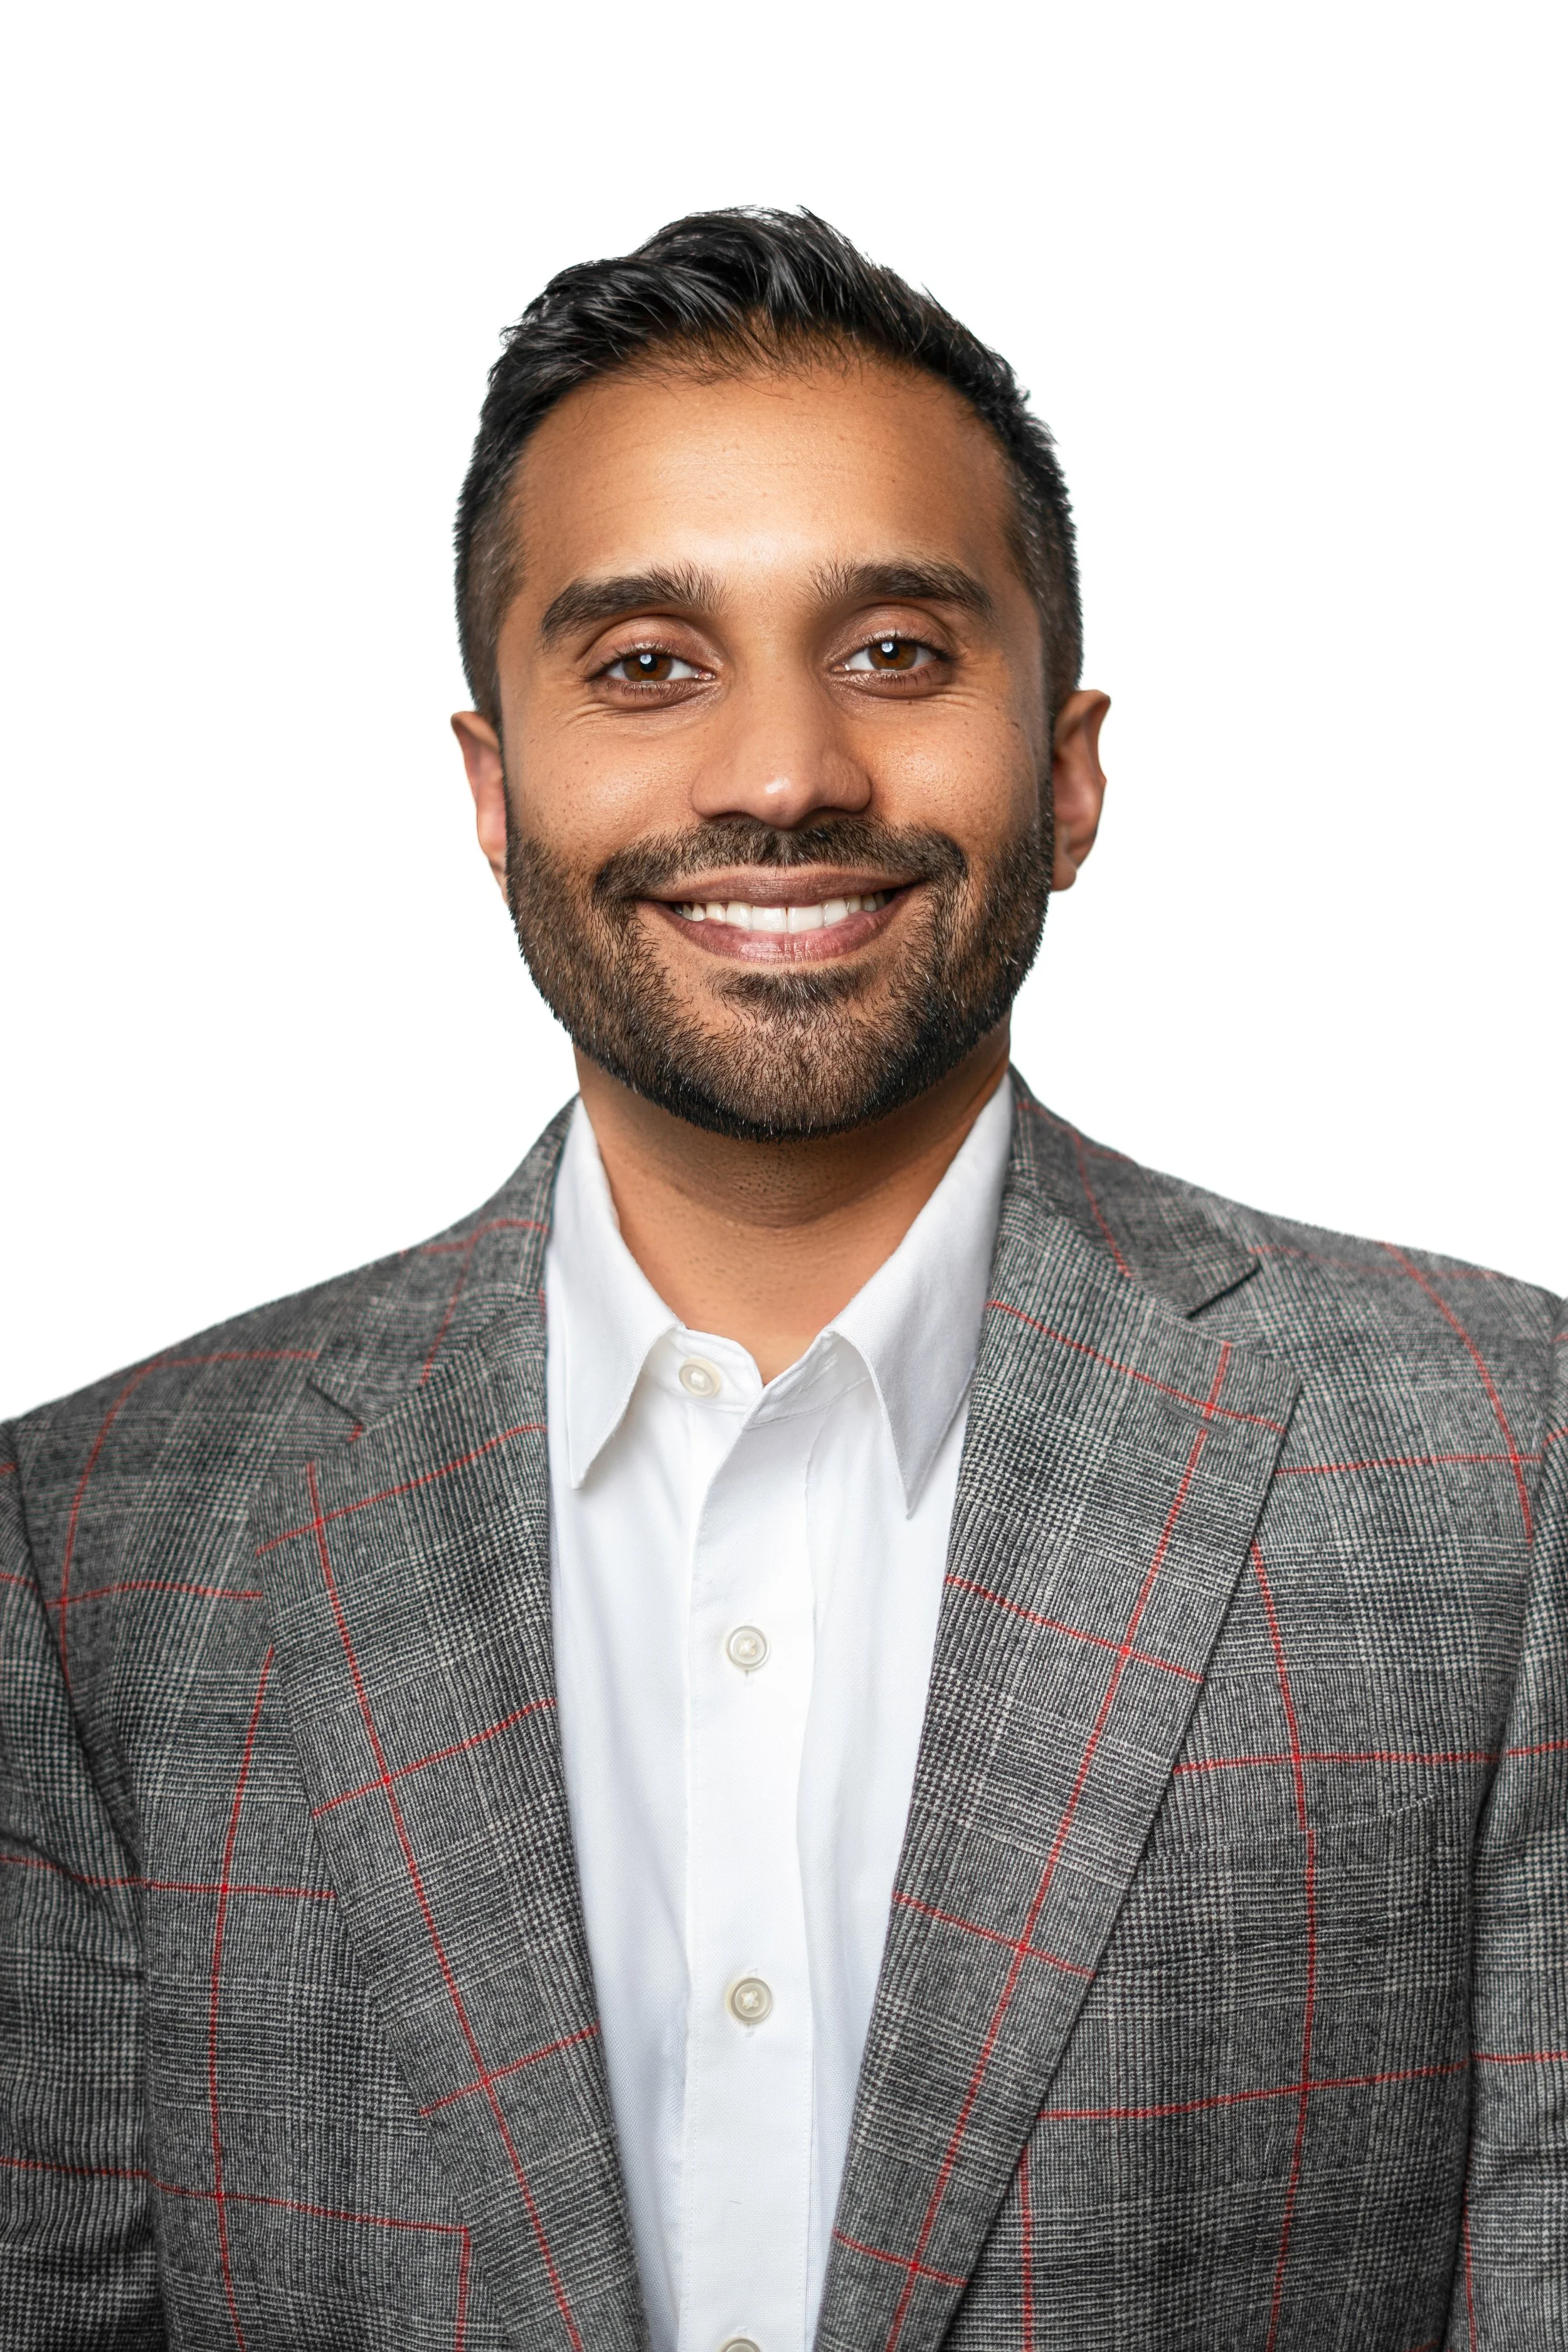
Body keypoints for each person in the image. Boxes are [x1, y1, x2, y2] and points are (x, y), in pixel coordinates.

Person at [1, 208, 1560, 2352]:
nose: (779, 771)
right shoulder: (90, 1545)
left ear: (1070, 767)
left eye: (897, 651)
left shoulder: (1500, 1463)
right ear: (493, 783)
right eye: (646, 665)